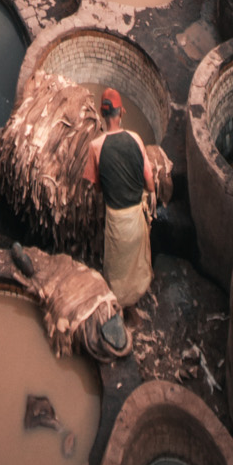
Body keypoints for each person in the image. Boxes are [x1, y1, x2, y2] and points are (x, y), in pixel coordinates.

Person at [83, 86, 155, 312]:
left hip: (117, 222)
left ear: (102, 115)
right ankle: (136, 305)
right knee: (138, 269)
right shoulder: (135, 138)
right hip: (136, 219)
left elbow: (96, 188)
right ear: (122, 112)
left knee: (116, 273)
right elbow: (149, 178)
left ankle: (119, 310)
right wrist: (150, 193)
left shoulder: (96, 146)